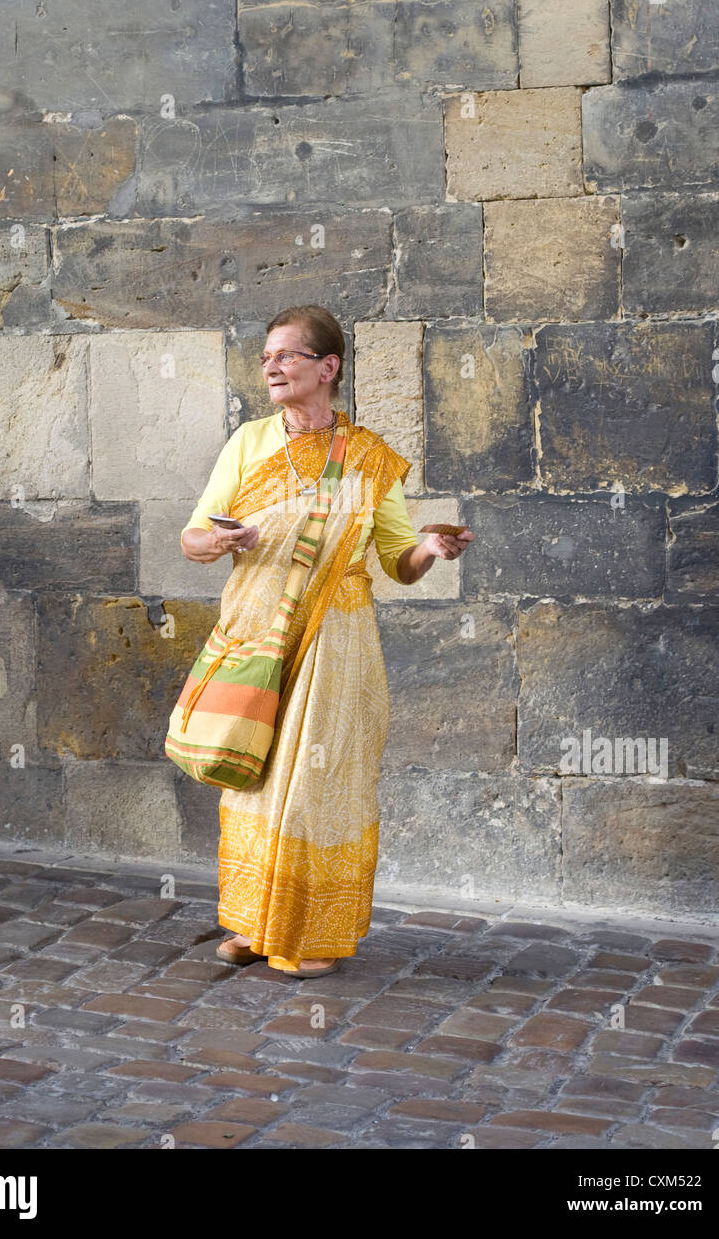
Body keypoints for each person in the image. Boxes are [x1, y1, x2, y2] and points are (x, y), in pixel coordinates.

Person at [180, 305, 474, 978]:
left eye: (286, 355)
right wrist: (216, 540)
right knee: (255, 781)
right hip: (259, 635)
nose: (272, 368)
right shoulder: (250, 442)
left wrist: (429, 547)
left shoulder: (371, 457)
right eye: (266, 358)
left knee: (318, 781)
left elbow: (397, 558)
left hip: (339, 643)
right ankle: (256, 926)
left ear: (327, 367)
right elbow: (193, 535)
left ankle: (310, 935)